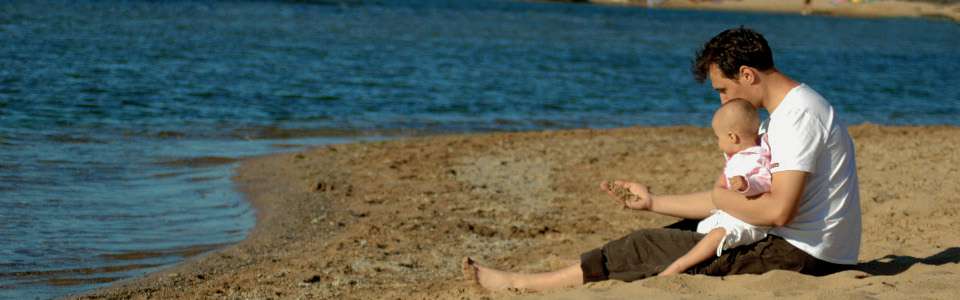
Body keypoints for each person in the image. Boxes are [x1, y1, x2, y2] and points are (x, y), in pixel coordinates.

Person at [462, 26, 861, 291]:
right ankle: (548, 278)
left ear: (747, 74)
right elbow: (741, 201)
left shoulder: (798, 117)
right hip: (798, 246)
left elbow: (777, 212)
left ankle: (523, 284)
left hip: (804, 258)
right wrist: (652, 202)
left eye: (723, 89)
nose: (724, 102)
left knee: (645, 246)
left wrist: (721, 198)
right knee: (686, 228)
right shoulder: (784, 116)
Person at [659, 99, 772, 276]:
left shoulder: (756, 157)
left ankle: (678, 267)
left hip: (749, 222)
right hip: (734, 214)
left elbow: (764, 180)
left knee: (717, 235)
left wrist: (747, 184)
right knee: (705, 231)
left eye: (718, 138)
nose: (718, 143)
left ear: (732, 137)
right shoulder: (738, 156)